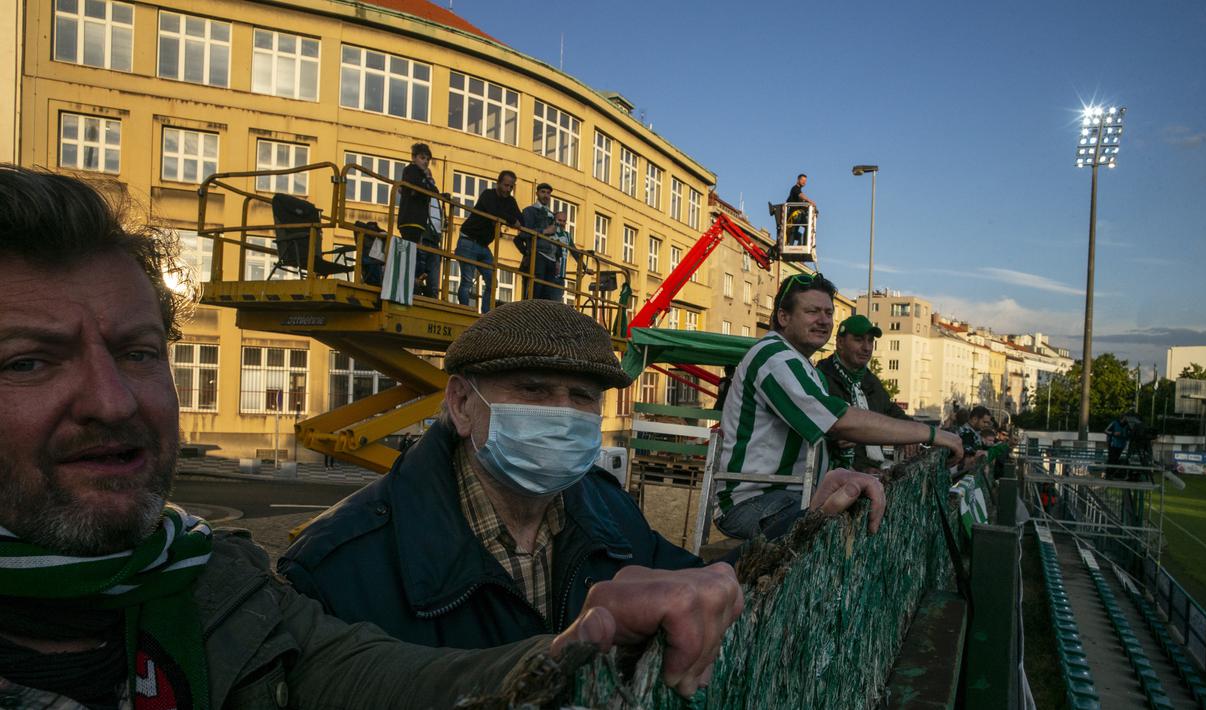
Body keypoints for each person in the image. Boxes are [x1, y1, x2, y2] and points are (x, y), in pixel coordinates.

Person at [0, 165, 742, 706]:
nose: (114, 402)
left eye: (139, 352)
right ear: (457, 403)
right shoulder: (330, 561)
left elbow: (368, 676)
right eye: (29, 361)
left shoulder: (221, 589)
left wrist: (574, 650)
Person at [281, 300, 731, 650]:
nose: (561, 414)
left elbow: (692, 585)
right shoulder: (335, 568)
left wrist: (732, 577)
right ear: (461, 404)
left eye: (582, 396)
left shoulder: (611, 510)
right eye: (532, 389)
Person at [714, 273, 964, 540]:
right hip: (752, 502)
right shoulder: (774, 356)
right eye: (812, 311)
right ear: (783, 317)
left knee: (863, 510)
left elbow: (839, 425)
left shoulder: (802, 365)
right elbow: (840, 420)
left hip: (787, 495)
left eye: (828, 313)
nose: (823, 320)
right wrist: (934, 434)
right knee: (852, 525)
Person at [817, 314, 913, 472]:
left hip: (873, 473)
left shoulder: (870, 380)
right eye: (859, 339)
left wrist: (913, 432)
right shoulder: (822, 376)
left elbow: (892, 413)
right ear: (840, 343)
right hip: (835, 478)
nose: (867, 347)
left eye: (870, 341)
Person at [457, 170, 521, 312]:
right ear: (498, 183)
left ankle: (485, 314)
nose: (508, 190)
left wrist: (516, 221)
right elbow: (493, 211)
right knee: (467, 281)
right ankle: (464, 311)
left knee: (492, 281)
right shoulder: (488, 195)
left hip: (483, 245)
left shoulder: (510, 201)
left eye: (511, 187)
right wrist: (511, 220)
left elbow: (520, 219)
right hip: (468, 240)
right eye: (505, 185)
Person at [397, 142, 443, 298]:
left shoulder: (423, 176)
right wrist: (426, 188)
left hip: (418, 222)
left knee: (416, 255)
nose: (425, 162)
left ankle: (415, 282)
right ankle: (411, 284)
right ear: (414, 158)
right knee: (413, 253)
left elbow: (434, 191)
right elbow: (417, 186)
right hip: (410, 219)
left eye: (427, 160)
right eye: (422, 158)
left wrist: (428, 185)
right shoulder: (410, 170)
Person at [516, 182, 565, 300]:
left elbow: (556, 238)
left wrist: (557, 259)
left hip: (551, 260)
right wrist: (544, 231)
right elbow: (524, 232)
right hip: (538, 256)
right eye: (543, 192)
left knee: (547, 297)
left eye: (548, 193)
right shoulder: (530, 211)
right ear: (537, 193)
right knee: (535, 294)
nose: (546, 195)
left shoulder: (552, 215)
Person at [784, 174, 816, 246]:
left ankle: (803, 245)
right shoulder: (795, 189)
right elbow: (801, 195)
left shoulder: (799, 195)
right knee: (798, 228)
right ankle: (792, 246)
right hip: (793, 216)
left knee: (803, 230)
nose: (804, 182)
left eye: (805, 181)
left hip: (797, 217)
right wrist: (810, 201)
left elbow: (803, 203)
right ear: (798, 180)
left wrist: (814, 211)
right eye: (802, 180)